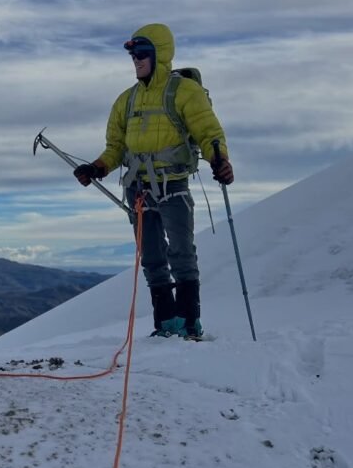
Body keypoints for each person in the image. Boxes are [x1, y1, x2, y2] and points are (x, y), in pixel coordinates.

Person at [73, 23, 234, 339]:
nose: (136, 61)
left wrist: (220, 160)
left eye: (142, 54)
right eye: (133, 55)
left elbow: (209, 133)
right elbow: (116, 147)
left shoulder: (185, 92)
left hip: (173, 185)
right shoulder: (126, 101)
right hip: (138, 188)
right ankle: (166, 323)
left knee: (182, 254)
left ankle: (190, 323)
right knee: (152, 257)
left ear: (161, 55)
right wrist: (96, 168)